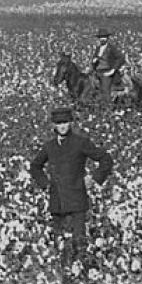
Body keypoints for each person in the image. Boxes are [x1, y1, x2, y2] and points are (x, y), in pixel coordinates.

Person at [28, 107, 114, 268]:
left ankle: (82, 273)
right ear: (54, 125)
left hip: (77, 201)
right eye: (59, 123)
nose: (62, 126)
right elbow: (35, 166)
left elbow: (106, 159)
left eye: (65, 122)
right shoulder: (49, 146)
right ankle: (61, 274)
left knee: (79, 242)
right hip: (57, 202)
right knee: (59, 243)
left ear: (71, 123)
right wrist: (46, 184)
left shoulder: (80, 142)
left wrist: (93, 178)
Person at [90, 28, 126, 95]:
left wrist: (113, 70)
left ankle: (107, 101)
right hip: (97, 72)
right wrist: (94, 60)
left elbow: (121, 57)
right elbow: (93, 60)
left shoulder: (112, 48)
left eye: (104, 37)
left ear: (107, 38)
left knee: (105, 89)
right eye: (101, 37)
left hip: (107, 71)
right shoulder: (98, 48)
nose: (102, 39)